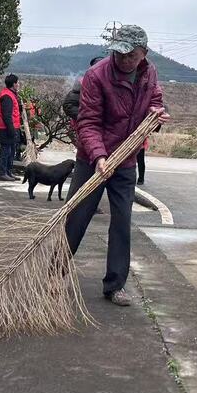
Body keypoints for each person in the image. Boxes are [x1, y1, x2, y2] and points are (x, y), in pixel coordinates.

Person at [65, 25, 169, 306]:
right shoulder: (97, 75)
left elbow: (156, 100)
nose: (123, 60)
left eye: (130, 55)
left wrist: (156, 115)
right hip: (92, 160)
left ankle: (115, 285)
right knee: (76, 218)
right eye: (119, 54)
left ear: (143, 54)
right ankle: (55, 272)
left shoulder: (149, 73)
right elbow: (88, 122)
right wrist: (99, 156)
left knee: (122, 221)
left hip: (126, 160)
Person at [0, 74, 21, 182]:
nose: (18, 84)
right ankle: (2, 173)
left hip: (12, 127)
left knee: (11, 151)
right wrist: (11, 130)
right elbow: (7, 115)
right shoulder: (7, 96)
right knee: (5, 151)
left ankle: (8, 172)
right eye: (17, 83)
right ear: (14, 84)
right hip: (6, 128)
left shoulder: (11, 94)